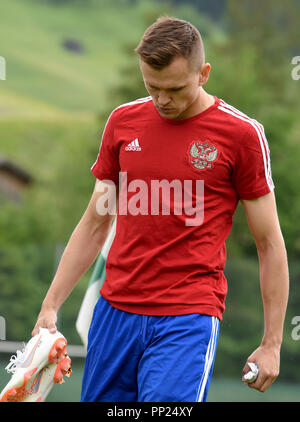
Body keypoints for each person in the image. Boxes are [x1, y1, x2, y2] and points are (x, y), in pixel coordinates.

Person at [32, 16, 289, 402]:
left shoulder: (242, 135)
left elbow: (269, 243)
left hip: (187, 317)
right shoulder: (122, 122)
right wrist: (50, 306)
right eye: (152, 87)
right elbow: (95, 222)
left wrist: (272, 343)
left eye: (175, 88)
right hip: (113, 313)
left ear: (203, 74)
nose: (163, 100)